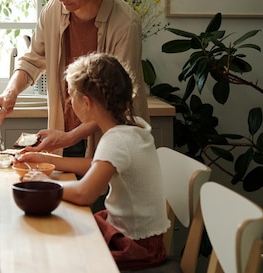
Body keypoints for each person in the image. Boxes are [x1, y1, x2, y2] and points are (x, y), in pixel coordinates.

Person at [0, 0, 148, 157]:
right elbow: (33, 60)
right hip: (65, 134)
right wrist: (10, 92)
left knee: (98, 192)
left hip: (112, 142)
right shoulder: (53, 10)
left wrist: (70, 136)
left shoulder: (125, 24)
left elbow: (118, 104)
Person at [20, 53, 169, 271]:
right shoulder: (133, 127)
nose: (70, 103)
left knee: (53, 248)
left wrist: (46, 184)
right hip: (146, 240)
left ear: (87, 102)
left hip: (136, 247)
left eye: (72, 96)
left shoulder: (116, 140)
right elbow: (97, 166)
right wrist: (47, 160)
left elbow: (85, 193)